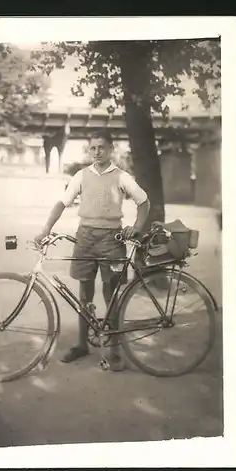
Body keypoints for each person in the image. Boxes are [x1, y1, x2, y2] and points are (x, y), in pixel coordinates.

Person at [35, 129, 150, 371]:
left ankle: (116, 350)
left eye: (102, 147)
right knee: (83, 295)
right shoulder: (81, 176)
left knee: (111, 294)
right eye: (93, 148)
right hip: (85, 238)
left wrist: (136, 228)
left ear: (111, 149)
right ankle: (81, 344)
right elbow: (62, 202)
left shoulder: (121, 177)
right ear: (89, 150)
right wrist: (45, 229)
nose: (97, 152)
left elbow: (144, 201)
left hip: (112, 240)